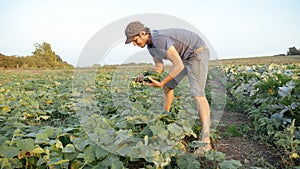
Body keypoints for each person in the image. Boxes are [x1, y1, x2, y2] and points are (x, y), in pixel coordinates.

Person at [124, 21, 212, 154]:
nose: (134, 44)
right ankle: (165, 118)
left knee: (198, 95)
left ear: (143, 33)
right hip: (184, 58)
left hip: (196, 53)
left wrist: (161, 82)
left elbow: (178, 66)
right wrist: (145, 75)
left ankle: (206, 142)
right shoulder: (150, 47)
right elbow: (159, 68)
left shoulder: (159, 40)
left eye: (135, 40)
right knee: (168, 87)